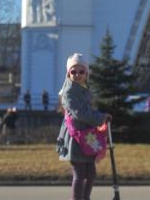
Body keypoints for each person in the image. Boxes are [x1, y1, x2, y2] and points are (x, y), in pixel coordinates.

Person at [57, 53, 112, 200]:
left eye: (81, 71)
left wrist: (102, 116)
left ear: (86, 73)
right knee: (80, 173)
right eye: (73, 71)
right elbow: (80, 113)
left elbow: (88, 110)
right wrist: (99, 118)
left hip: (86, 137)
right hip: (75, 138)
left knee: (91, 173)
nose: (77, 75)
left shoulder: (83, 89)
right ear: (68, 73)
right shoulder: (69, 92)